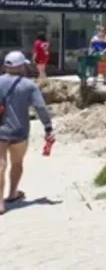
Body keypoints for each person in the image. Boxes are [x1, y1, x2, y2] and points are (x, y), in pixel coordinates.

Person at [0, 51, 55, 216]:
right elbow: (41, 108)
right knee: (17, 163)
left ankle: (0, 203)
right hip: (20, 131)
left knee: (0, 166)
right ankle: (12, 193)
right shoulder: (29, 85)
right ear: (21, 66)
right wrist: (48, 127)